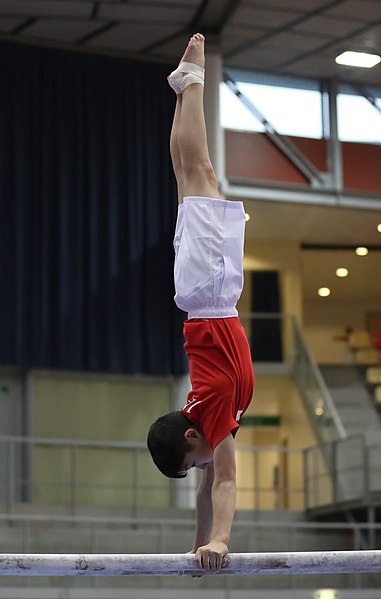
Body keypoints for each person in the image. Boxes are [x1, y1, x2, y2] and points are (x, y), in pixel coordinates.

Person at [147, 33, 254, 573]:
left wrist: (222, 541)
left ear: (194, 437)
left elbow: (228, 479)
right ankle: (185, 88)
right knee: (189, 178)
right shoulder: (204, 421)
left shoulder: (210, 412)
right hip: (205, 297)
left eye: (194, 461)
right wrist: (199, 546)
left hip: (212, 295)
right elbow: (209, 486)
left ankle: (192, 85)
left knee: (200, 174)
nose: (205, 466)